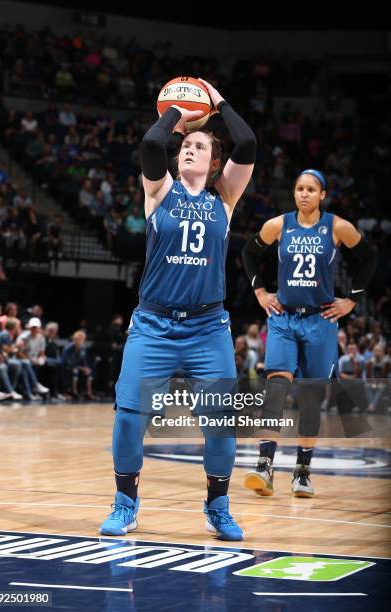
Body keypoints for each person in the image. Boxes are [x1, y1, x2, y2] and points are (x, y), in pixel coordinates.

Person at [100, 78, 256, 540]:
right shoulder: (159, 192)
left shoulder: (224, 199)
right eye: (185, 145)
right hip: (153, 325)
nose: (189, 149)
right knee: (130, 415)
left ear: (214, 162)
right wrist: (179, 114)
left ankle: (218, 504)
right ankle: (125, 502)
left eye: (200, 146)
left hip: (208, 328)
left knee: (221, 424)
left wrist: (216, 99)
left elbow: (246, 141)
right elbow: (153, 140)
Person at [241, 169, 376, 497]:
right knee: (275, 389)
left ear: (322, 195)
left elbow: (369, 257)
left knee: (310, 398)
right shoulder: (279, 225)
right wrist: (260, 292)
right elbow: (248, 253)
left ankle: (302, 471)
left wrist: (351, 301)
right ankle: (264, 465)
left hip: (320, 321)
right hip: (284, 318)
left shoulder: (336, 226)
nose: (304, 194)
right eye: (299, 188)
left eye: (311, 189)